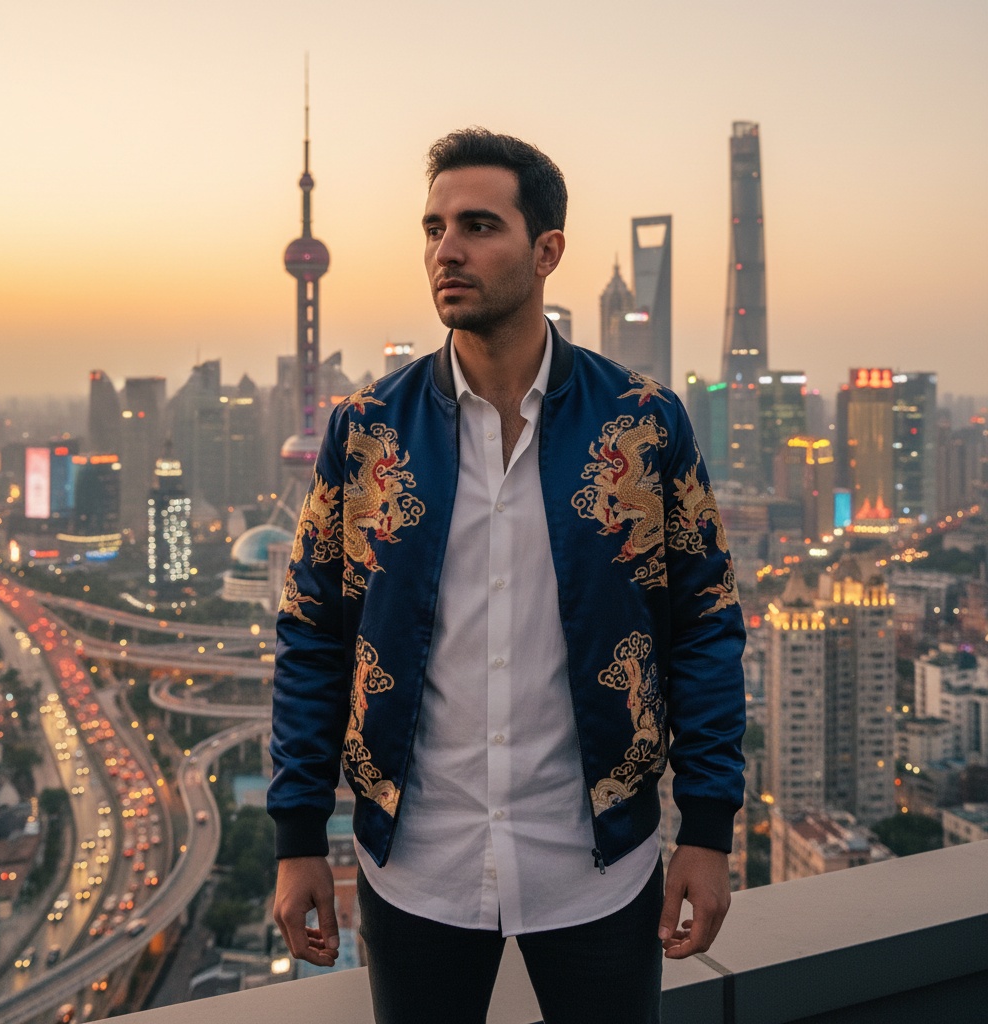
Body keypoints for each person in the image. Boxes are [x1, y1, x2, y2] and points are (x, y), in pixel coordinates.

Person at [269, 128, 746, 1024]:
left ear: (547, 251)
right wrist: (299, 838)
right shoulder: (368, 431)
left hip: (596, 865)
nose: (446, 250)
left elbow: (707, 624)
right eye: (434, 227)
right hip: (418, 867)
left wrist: (708, 830)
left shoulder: (643, 425)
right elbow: (311, 633)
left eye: (479, 225)